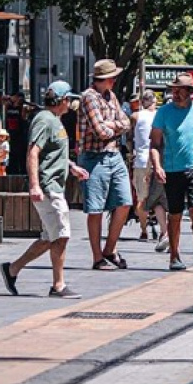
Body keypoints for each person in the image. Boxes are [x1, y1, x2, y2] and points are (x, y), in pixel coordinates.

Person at [0, 81, 91, 298]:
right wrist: (34, 185)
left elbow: (53, 153)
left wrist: (71, 166)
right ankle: (58, 285)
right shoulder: (44, 120)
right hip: (48, 187)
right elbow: (33, 152)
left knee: (50, 237)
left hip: (54, 185)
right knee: (62, 235)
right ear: (61, 100)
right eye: (69, 98)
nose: (71, 103)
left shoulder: (54, 120)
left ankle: (12, 269)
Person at [150, 74, 193, 272]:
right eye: (174, 90)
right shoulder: (163, 112)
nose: (176, 93)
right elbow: (155, 144)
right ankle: (174, 256)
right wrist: (157, 166)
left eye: (180, 90)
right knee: (175, 215)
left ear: (190, 92)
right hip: (172, 170)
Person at [78, 59, 133, 271]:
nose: (115, 80)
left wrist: (113, 126)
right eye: (113, 77)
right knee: (96, 209)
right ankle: (97, 256)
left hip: (114, 154)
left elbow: (127, 123)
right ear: (106, 79)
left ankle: (110, 248)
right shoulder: (89, 97)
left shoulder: (111, 96)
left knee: (125, 202)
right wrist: (115, 127)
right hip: (94, 156)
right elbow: (100, 131)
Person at [131, 90, 157, 241]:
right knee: (160, 197)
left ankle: (143, 229)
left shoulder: (136, 116)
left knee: (141, 197)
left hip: (140, 160)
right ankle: (162, 230)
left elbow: (129, 138)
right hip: (157, 161)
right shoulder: (160, 116)